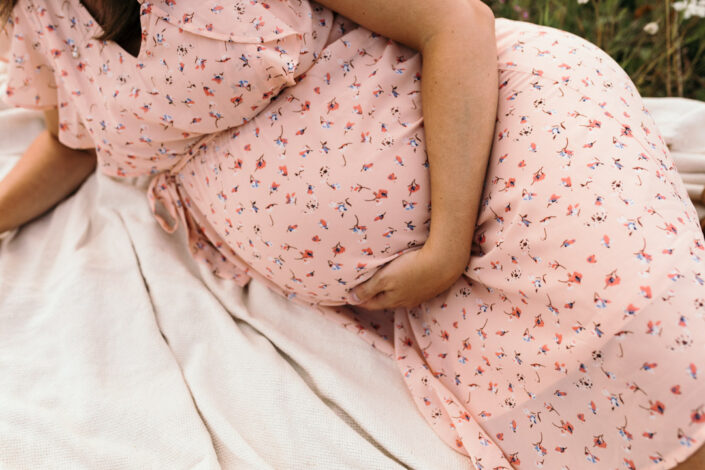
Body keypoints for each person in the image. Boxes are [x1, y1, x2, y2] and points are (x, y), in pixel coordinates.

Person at [1, 0, 704, 468]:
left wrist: (445, 244)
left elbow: (454, 23)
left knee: (651, 340)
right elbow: (74, 140)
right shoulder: (41, 15)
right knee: (547, 409)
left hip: (497, 141)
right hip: (404, 282)